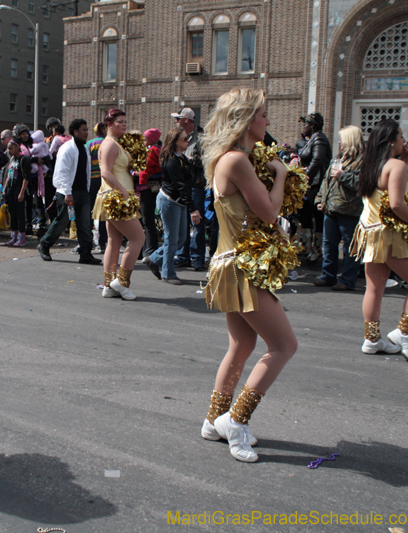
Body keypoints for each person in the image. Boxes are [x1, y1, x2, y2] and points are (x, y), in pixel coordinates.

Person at [198, 89, 296, 463]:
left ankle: (213, 421)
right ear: (245, 120)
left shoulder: (233, 158)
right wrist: (283, 175)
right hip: (242, 266)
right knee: (284, 346)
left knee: (241, 346)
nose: (268, 121)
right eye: (263, 115)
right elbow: (270, 212)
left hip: (230, 263)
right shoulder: (237, 159)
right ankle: (235, 421)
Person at [350, 119, 408, 363]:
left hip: (371, 231)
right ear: (390, 141)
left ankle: (372, 339)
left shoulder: (372, 164)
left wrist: (405, 162)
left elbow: (386, 194)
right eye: (401, 137)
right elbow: (397, 203)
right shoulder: (395, 165)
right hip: (391, 235)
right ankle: (403, 333)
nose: (404, 141)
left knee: (374, 288)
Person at [91, 109, 145, 300]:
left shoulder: (116, 144)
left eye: (125, 121)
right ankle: (121, 282)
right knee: (138, 238)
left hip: (117, 195)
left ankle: (109, 285)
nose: (124, 124)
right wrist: (122, 192)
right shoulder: (109, 144)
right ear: (109, 125)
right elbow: (105, 172)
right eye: (120, 121)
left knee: (114, 242)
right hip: (116, 197)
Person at [37, 119, 101, 265]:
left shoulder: (84, 149)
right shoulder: (67, 148)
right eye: (83, 130)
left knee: (85, 224)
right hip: (68, 192)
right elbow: (62, 172)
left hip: (83, 192)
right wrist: (67, 192)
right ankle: (45, 244)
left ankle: (85, 253)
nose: (86, 132)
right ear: (75, 132)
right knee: (62, 221)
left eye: (87, 129)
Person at [143, 127, 200, 284]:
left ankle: (153, 259)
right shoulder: (171, 161)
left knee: (181, 239)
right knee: (172, 238)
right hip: (170, 201)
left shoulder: (182, 158)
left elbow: (189, 182)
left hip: (179, 202)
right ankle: (168, 273)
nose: (187, 140)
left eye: (187, 137)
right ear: (175, 142)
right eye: (184, 139)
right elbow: (181, 185)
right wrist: (193, 208)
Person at [313, 125, 365, 291]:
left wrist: (343, 176)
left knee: (350, 247)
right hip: (331, 209)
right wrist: (320, 199)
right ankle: (328, 276)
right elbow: (326, 181)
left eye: (342, 139)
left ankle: (347, 280)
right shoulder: (338, 158)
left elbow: (362, 184)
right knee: (329, 244)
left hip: (349, 210)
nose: (339, 142)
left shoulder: (363, 161)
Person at [172, 107, 207, 271]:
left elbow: (207, 161)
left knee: (197, 221)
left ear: (186, 120)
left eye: (177, 119)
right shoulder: (178, 137)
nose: (176, 122)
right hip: (181, 185)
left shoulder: (201, 138)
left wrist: (188, 160)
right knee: (182, 223)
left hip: (195, 185)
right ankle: (183, 255)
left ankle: (198, 257)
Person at [298, 112, 332, 262]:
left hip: (315, 185)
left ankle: (317, 250)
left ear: (312, 125)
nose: (303, 127)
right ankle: (305, 247)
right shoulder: (311, 139)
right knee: (304, 215)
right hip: (309, 185)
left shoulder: (319, 138)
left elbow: (317, 159)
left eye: (305, 124)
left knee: (317, 217)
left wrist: (307, 176)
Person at [138, 128, 162, 258]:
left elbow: (145, 169)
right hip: (153, 185)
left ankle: (150, 250)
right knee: (148, 219)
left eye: (145, 138)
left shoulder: (152, 150)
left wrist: (140, 182)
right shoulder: (157, 149)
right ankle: (148, 249)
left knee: (147, 220)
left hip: (147, 187)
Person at [4, 139, 31, 246]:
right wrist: (5, 190)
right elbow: (8, 175)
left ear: (17, 147)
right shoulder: (12, 159)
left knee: (20, 214)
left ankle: (22, 237)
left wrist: (22, 192)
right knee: (13, 213)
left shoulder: (23, 159)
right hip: (10, 188)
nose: (9, 150)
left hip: (18, 189)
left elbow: (26, 177)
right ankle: (14, 235)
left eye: (11, 148)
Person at [87, 123, 108, 253]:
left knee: (90, 211)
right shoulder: (108, 143)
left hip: (92, 180)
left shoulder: (89, 144)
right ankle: (102, 243)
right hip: (105, 180)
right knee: (102, 213)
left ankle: (88, 241)